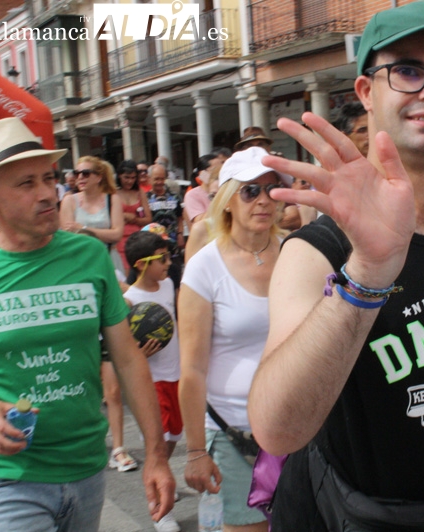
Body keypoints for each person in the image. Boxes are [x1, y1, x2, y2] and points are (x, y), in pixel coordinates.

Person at [248, 3, 424, 531]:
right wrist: (369, 270)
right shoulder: (317, 251)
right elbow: (277, 430)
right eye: (407, 70)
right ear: (366, 91)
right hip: (341, 515)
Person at [0, 117, 174, 531]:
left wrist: (155, 455)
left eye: (49, 178)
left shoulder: (88, 255)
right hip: (2, 476)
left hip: (87, 470)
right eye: (26, 183)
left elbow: (127, 358)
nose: (48, 193)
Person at [178, 147, 291, 532]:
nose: (263, 200)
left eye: (272, 190)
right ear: (227, 200)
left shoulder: (299, 251)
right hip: (234, 433)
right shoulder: (204, 267)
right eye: (250, 191)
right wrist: (195, 452)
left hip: (299, 428)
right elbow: (191, 369)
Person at [60, 156, 137, 473]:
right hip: (76, 280)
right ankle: (82, 441)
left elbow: (117, 235)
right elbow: (65, 240)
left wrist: (84, 229)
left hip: (110, 276)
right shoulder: (68, 200)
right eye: (76, 172)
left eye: (85, 172)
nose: (78, 177)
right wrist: (92, 233)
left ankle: (118, 447)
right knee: (80, 373)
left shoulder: (111, 198)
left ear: (98, 176)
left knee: (114, 374)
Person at [124, 228, 182, 532]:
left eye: (168, 256)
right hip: (153, 380)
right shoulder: (130, 300)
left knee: (173, 437)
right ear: (140, 264)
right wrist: (139, 353)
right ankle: (158, 509)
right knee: (158, 443)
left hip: (177, 376)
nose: (168, 262)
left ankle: (163, 475)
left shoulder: (168, 283)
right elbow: (123, 350)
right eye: (161, 258)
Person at [148, 163, 185, 288]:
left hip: (173, 245)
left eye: (162, 179)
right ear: (150, 179)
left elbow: (180, 217)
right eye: (156, 179)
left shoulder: (174, 197)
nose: (159, 182)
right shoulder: (146, 198)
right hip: (154, 246)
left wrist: (180, 234)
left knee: (175, 277)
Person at [117, 159, 153, 272]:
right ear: (119, 176)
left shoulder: (139, 192)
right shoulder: (112, 193)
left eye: (133, 178)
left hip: (137, 239)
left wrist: (134, 219)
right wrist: (122, 215)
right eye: (126, 178)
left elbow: (148, 219)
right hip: (119, 239)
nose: (130, 181)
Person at [184, 154, 225, 225]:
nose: (220, 173)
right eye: (215, 170)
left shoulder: (226, 190)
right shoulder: (192, 195)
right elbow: (199, 221)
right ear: (202, 173)